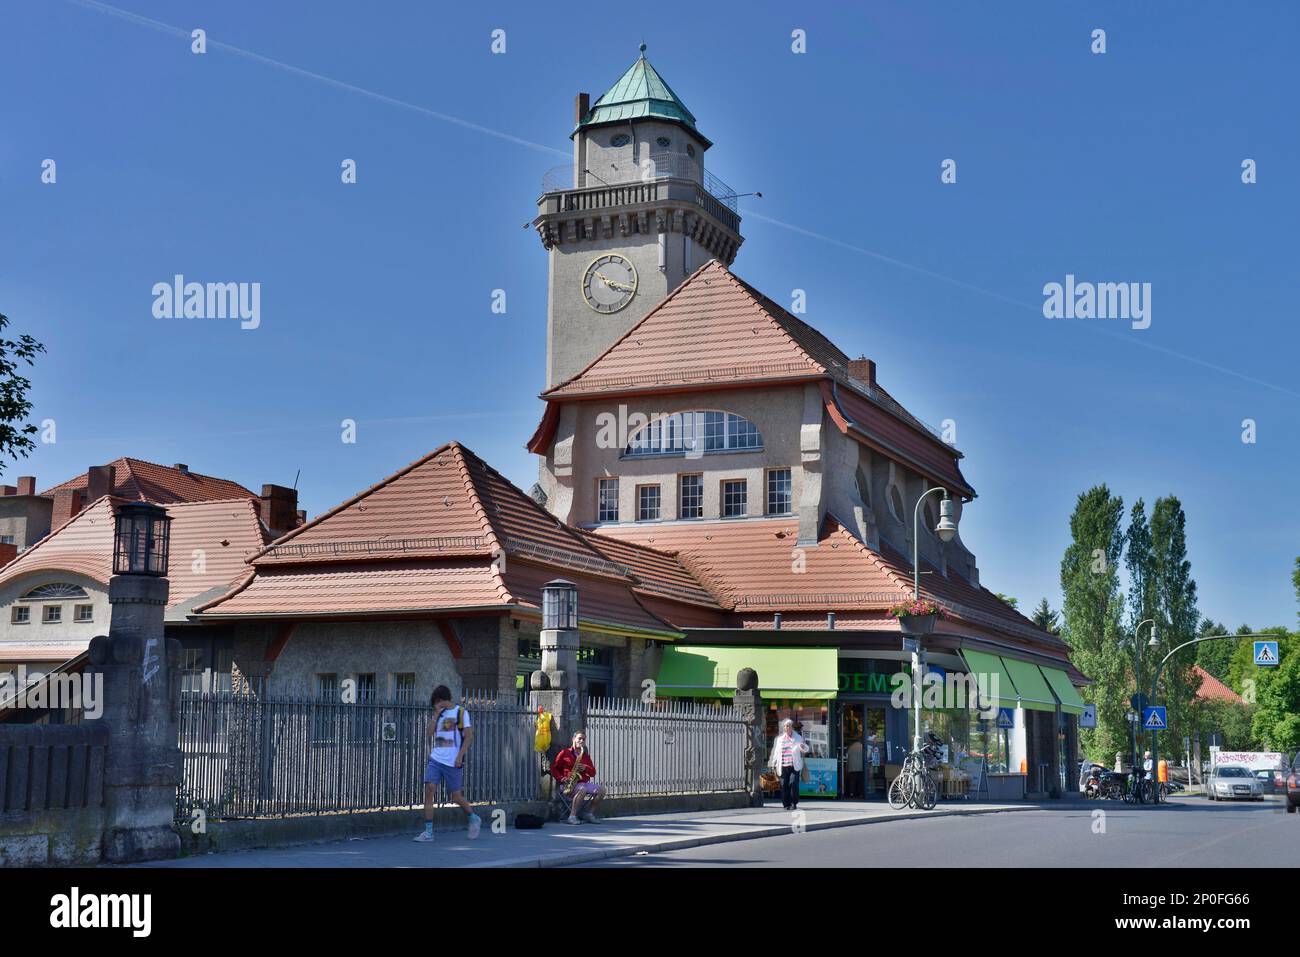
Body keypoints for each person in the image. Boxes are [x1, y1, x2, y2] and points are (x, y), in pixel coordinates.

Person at [414, 685, 482, 842]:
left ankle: (473, 817)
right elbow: (429, 733)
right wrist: (436, 715)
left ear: (442, 699)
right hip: (436, 759)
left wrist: (460, 756)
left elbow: (469, 737)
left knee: (456, 796)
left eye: (437, 702)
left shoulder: (461, 712)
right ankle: (429, 832)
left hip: (453, 762)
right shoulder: (439, 713)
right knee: (430, 789)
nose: (436, 705)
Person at [551, 730, 606, 824]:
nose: (581, 741)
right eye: (579, 738)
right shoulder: (564, 753)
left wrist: (585, 768)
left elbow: (593, 773)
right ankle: (572, 817)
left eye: (583, 739)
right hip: (568, 784)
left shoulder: (585, 755)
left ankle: (589, 814)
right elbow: (553, 768)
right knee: (583, 789)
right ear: (573, 739)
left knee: (602, 790)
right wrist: (561, 778)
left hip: (583, 782)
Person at [767, 718, 810, 811]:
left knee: (794, 783)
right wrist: (772, 763)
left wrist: (803, 747)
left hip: (794, 765)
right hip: (783, 765)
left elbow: (806, 749)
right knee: (784, 785)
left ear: (791, 727)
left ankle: (794, 803)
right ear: (784, 728)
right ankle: (786, 804)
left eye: (789, 726)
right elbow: (776, 752)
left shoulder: (798, 737)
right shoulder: (779, 739)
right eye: (785, 726)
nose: (787, 728)